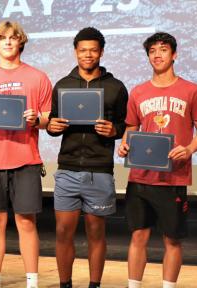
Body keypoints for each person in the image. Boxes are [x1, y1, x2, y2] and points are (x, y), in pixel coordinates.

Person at [117, 32, 197, 288]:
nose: (157, 55)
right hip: (140, 177)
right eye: (152, 51)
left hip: (173, 177)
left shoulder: (192, 90)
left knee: (172, 240)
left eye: (163, 50)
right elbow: (132, 128)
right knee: (138, 236)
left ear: (174, 54)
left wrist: (190, 149)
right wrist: (125, 145)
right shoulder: (138, 92)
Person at [0, 21, 52, 288]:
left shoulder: (38, 77)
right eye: (2, 38)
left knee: (27, 223)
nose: (7, 42)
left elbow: (48, 118)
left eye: (13, 38)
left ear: (20, 42)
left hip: (26, 160)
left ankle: (32, 282)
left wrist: (36, 118)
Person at [46, 27, 128, 288]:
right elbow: (53, 122)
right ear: (75, 52)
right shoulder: (62, 85)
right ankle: (65, 284)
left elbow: (125, 126)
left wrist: (114, 130)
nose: (88, 55)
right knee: (62, 232)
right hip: (67, 168)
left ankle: (95, 285)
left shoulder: (116, 87)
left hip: (100, 170)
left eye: (93, 50)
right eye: (83, 50)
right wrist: (52, 127)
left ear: (101, 52)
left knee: (96, 233)